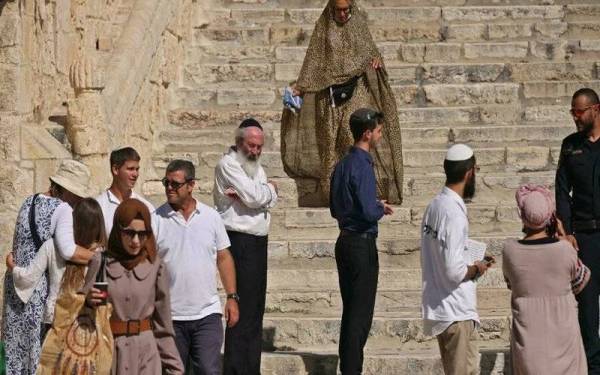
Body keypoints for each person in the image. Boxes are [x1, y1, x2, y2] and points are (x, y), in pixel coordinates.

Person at [281, 0, 403, 205]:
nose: (343, 14)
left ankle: (363, 191)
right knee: (330, 146)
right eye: (338, 10)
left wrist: (376, 61)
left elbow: (371, 53)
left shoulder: (358, 27)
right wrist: (301, 87)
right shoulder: (323, 29)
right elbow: (313, 62)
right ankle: (337, 194)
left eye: (346, 9)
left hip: (357, 91)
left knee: (351, 136)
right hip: (329, 96)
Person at [1, 159, 97, 375]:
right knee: (37, 359)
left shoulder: (28, 201)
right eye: (77, 195)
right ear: (67, 189)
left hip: (15, 287)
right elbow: (67, 250)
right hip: (36, 292)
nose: (78, 201)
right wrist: (98, 257)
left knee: (15, 356)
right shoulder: (62, 208)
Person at [153, 160, 239, 374]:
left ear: (191, 185)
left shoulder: (211, 217)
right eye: (166, 183)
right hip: (170, 316)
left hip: (207, 315)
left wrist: (231, 297)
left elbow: (223, 257)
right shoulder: (156, 219)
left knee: (209, 371)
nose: (169, 188)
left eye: (175, 184)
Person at [329, 108, 394, 374]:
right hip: (360, 244)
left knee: (351, 311)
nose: (380, 135)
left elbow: (336, 207)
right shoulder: (363, 164)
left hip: (344, 240)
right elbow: (368, 211)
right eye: (378, 130)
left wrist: (369, 205)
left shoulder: (343, 164)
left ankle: (349, 367)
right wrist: (379, 208)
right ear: (367, 134)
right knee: (360, 316)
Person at [86, 198, 184, 374]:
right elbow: (79, 312)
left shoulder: (156, 266)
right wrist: (87, 300)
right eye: (129, 233)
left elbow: (163, 327)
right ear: (118, 231)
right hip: (108, 354)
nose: (136, 241)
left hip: (146, 356)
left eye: (142, 234)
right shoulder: (100, 262)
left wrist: (175, 367)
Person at [420, 144, 494, 375]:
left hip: (443, 307)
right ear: (469, 173)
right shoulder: (453, 213)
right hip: (456, 312)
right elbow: (453, 270)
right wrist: (476, 268)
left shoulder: (435, 206)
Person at [214, 118, 278, 375]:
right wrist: (267, 191)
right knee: (240, 313)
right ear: (239, 142)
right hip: (238, 242)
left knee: (254, 313)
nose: (255, 151)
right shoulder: (228, 164)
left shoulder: (254, 168)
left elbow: (256, 196)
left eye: (259, 147)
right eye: (251, 146)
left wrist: (264, 192)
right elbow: (254, 198)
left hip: (257, 242)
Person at [503, 184, 589, 375]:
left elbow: (510, 283)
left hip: (529, 341)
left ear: (522, 216)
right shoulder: (565, 250)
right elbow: (581, 281)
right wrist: (564, 238)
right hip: (563, 338)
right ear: (550, 216)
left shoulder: (510, 251)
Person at [5, 198, 106, 334]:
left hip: (55, 319)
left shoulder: (52, 246)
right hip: (85, 322)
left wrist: (13, 267)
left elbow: (28, 277)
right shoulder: (102, 256)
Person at [556, 87, 600, 373]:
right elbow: (562, 190)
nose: (575, 117)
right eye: (572, 111)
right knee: (587, 309)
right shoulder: (570, 145)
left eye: (579, 111)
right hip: (584, 237)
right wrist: (567, 232)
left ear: (595, 109)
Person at [96, 147, 155, 234]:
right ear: (115, 169)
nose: (136, 174)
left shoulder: (147, 207)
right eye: (130, 169)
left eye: (137, 169)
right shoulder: (99, 206)